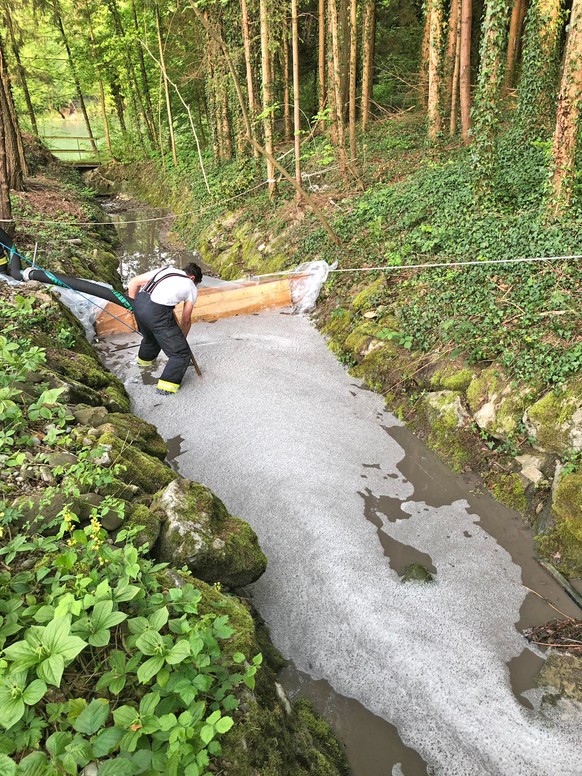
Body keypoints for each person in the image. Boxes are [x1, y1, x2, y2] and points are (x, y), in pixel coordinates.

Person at [127, 261, 203, 395]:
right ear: (193, 278)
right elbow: (186, 320)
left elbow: (134, 282)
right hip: (157, 313)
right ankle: (164, 390)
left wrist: (132, 307)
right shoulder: (191, 285)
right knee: (180, 354)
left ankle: (143, 366)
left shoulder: (165, 270)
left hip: (139, 304)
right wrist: (180, 341)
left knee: (151, 340)